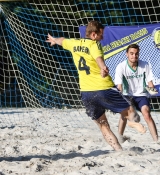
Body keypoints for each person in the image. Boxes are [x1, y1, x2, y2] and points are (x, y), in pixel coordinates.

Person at [46, 20, 146, 151]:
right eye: (100, 35)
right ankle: (133, 124)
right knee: (132, 113)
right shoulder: (94, 45)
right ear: (93, 35)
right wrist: (103, 67)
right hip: (103, 88)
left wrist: (54, 40)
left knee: (103, 125)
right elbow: (99, 59)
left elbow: (62, 40)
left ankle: (119, 151)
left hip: (87, 93)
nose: (102, 37)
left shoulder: (73, 43)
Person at [114, 44, 159, 141]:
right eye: (131, 53)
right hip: (127, 95)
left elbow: (150, 83)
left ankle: (156, 140)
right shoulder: (121, 67)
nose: (134, 56)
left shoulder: (145, 65)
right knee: (125, 116)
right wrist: (119, 99)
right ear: (127, 54)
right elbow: (119, 87)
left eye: (136, 53)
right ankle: (119, 137)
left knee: (147, 114)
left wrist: (152, 90)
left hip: (141, 95)